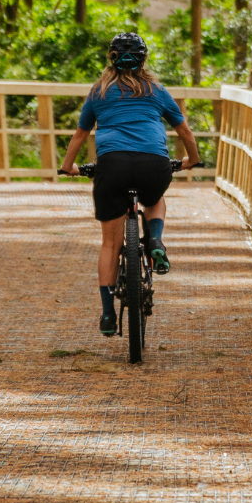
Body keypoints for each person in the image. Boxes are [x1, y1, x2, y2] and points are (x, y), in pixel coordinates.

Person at [59, 32, 201, 337]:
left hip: (112, 167)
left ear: (111, 58)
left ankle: (108, 314)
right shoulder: (157, 90)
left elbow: (80, 135)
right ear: (144, 59)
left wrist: (68, 166)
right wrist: (192, 160)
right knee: (155, 198)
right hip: (154, 165)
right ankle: (156, 242)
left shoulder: (99, 92)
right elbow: (185, 132)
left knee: (110, 243)